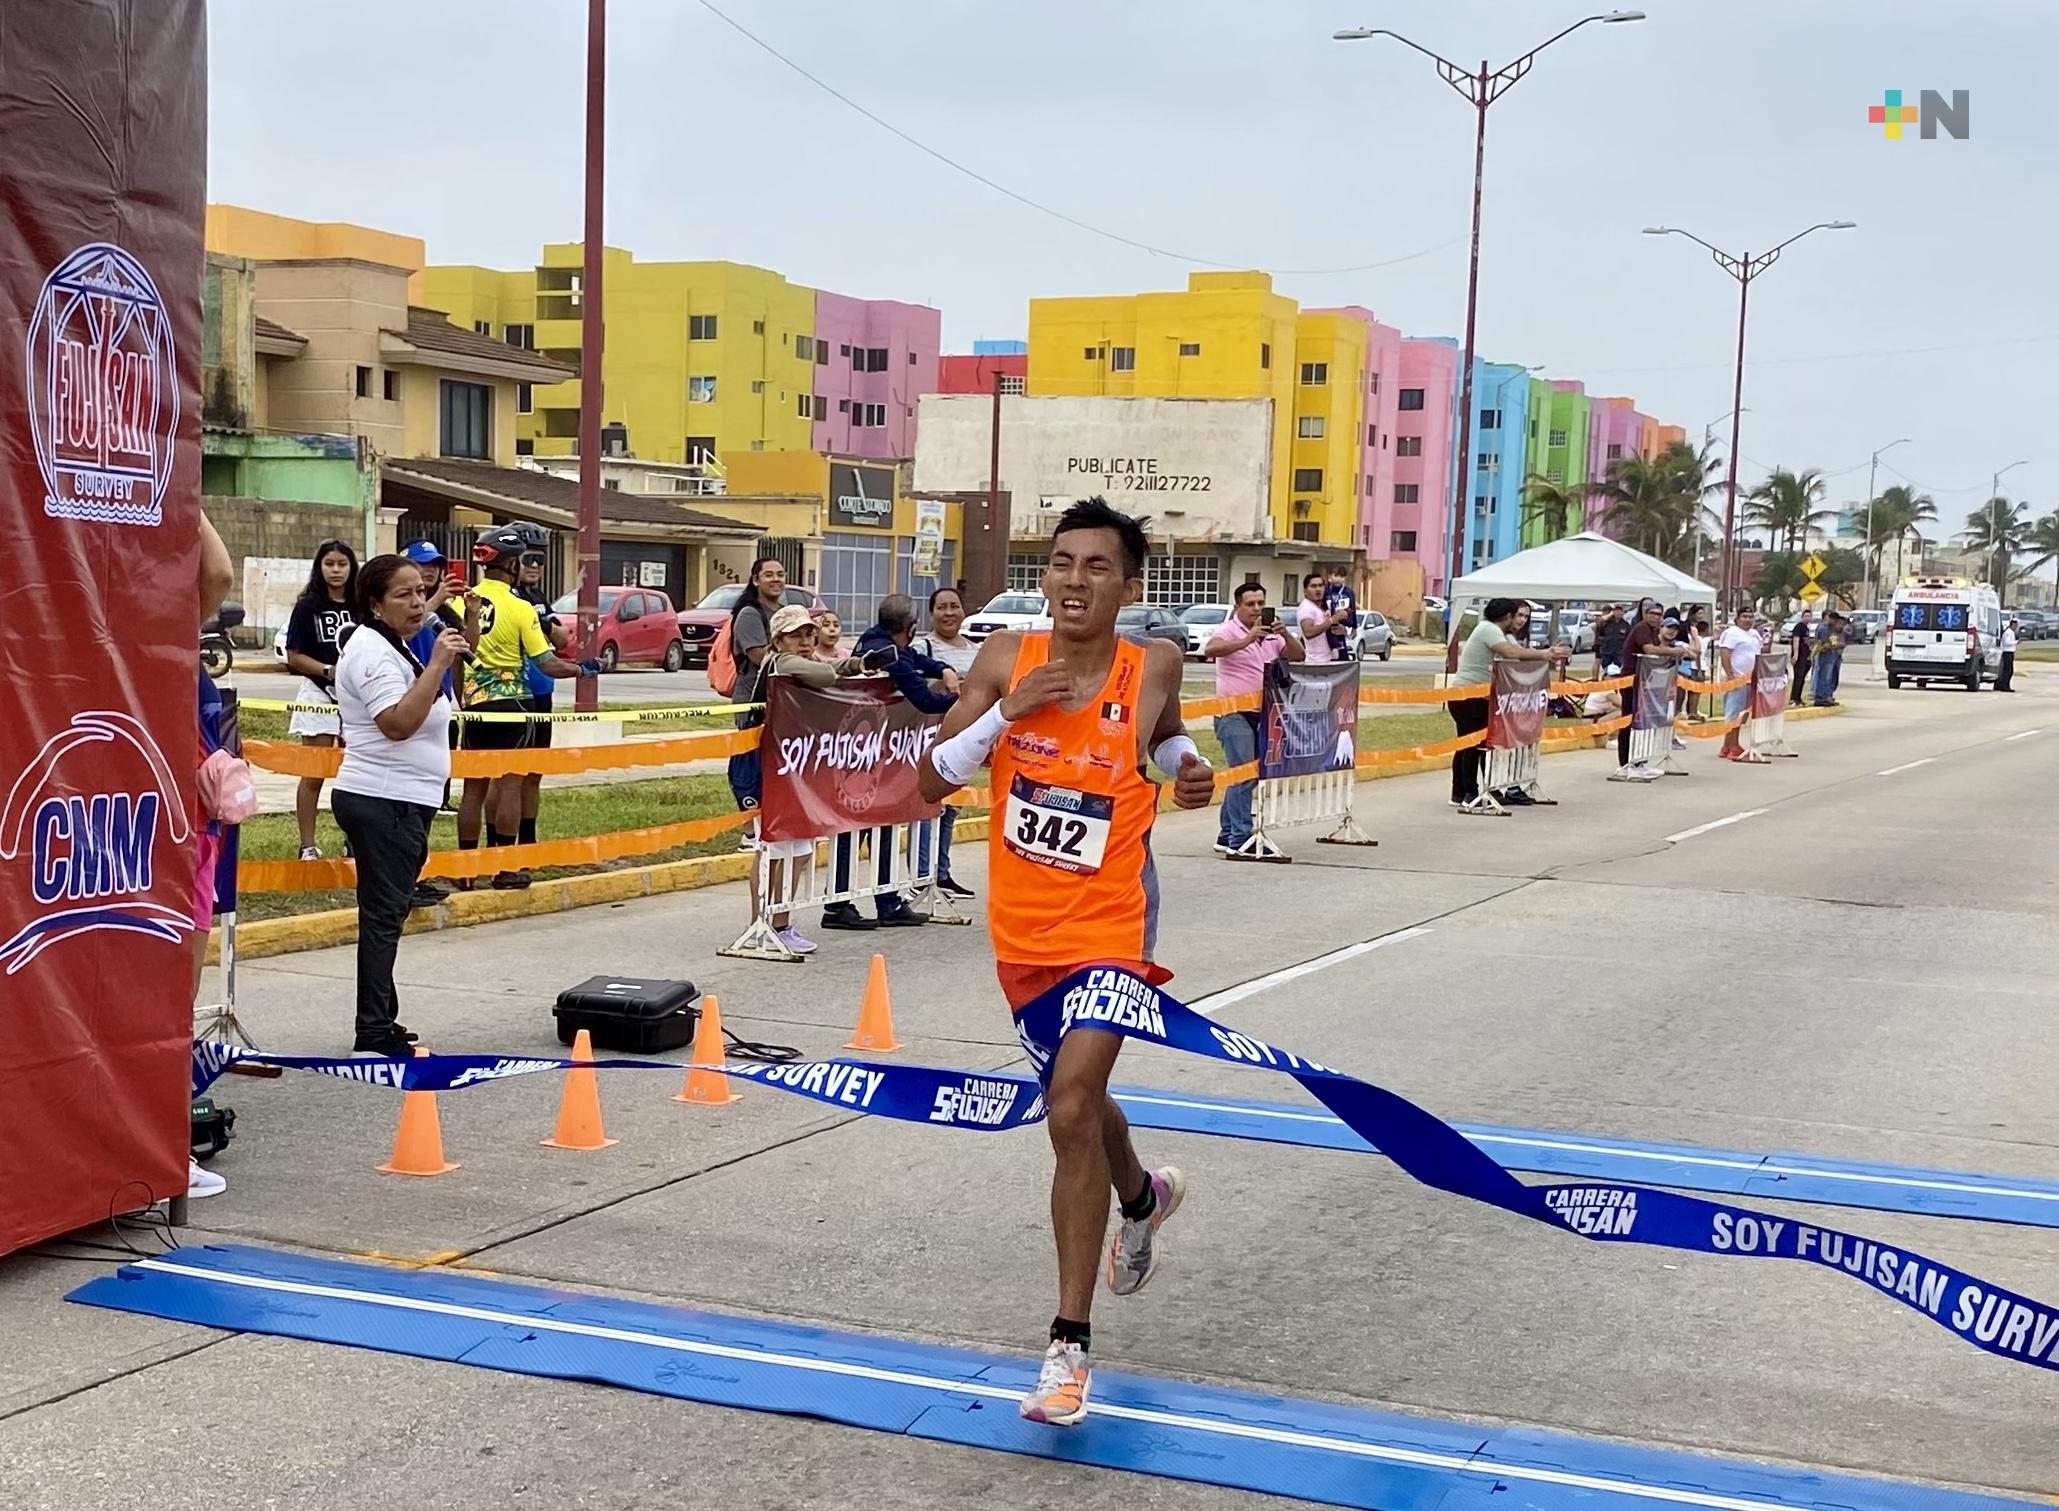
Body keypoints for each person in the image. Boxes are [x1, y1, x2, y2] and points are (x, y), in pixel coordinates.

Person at [918, 496, 1214, 1428]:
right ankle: (1142, 1195)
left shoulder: (1153, 661)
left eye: (1096, 567)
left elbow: (1160, 735)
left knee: (1071, 1106)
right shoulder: (1006, 660)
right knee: (1074, 1104)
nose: (1074, 581)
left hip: (1114, 922)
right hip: (1024, 933)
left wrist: (1187, 763)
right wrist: (1006, 715)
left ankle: (1065, 1348)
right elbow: (931, 779)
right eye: (1059, 563)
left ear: (1129, 586)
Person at [331, 554, 469, 1057]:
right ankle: (372, 1031)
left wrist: (437, 611)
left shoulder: (391, 642)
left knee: (387, 913)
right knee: (384, 917)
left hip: (404, 798)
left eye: (421, 591)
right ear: (373, 604)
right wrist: (437, 664)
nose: (417, 603)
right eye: (404, 595)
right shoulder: (371, 652)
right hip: (381, 797)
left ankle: (383, 1021)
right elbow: (396, 723)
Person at [731, 605, 883, 955]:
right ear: (778, 639)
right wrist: (839, 667)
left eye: (809, 634)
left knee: (798, 850)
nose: (805, 640)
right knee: (771, 849)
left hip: (793, 770)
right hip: (761, 767)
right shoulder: (779, 664)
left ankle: (781, 924)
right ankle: (760, 923)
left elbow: (831, 668)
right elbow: (825, 675)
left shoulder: (801, 662)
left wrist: (859, 664)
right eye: (797, 635)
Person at [455, 526, 598, 890]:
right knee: (511, 786)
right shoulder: (520, 607)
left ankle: (467, 871)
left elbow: (459, 655)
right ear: (513, 564)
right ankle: (505, 868)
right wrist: (582, 669)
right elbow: (547, 662)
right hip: (515, 705)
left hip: (475, 705)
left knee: (473, 789)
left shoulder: (463, 602)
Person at [822, 595, 958, 930]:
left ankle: (886, 901)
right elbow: (925, 700)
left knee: (883, 821)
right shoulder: (888, 653)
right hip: (863, 752)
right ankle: (837, 905)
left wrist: (943, 668)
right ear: (910, 629)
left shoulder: (878, 642)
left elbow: (915, 660)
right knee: (854, 828)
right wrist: (965, 698)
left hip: (875, 749)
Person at [188, 514, 237, 1201]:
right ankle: (165, 1148)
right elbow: (220, 572)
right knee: (172, 1004)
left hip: (179, 832)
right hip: (173, 839)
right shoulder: (158, 642)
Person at [1203, 582, 1304, 854]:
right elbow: (1210, 650)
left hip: (1261, 712)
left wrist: (1285, 634)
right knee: (1244, 775)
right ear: (1238, 606)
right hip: (1232, 713)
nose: (1256, 609)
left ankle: (1227, 833)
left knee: (1245, 775)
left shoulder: (1271, 635)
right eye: (1250, 604)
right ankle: (1240, 839)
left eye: (1261, 603)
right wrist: (1248, 638)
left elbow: (1298, 655)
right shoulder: (1228, 630)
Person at [400, 540, 469, 907]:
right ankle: (402, 881)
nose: (429, 571)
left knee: (428, 799)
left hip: (441, 707)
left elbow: (466, 646)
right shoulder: (403, 608)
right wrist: (432, 600)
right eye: (421, 564)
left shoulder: (440, 610)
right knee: (407, 803)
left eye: (435, 565)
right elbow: (400, 634)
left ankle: (416, 874)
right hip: (411, 705)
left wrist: (467, 611)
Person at [1450, 597, 1566, 811]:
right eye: (1517, 615)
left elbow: (1520, 657)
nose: (1519, 620)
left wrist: (1548, 656)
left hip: (1479, 696)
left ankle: (1475, 791)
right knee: (1472, 746)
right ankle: (1470, 793)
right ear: (1507, 616)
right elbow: (1511, 653)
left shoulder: (1501, 633)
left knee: (1477, 745)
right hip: (1468, 696)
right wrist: (1545, 653)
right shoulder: (1488, 629)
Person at [283, 539, 358, 861]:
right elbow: (294, 656)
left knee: (355, 771)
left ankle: (354, 840)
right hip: (319, 693)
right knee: (314, 770)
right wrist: (329, 671)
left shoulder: (362, 604)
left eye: (342, 564)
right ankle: (308, 844)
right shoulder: (307, 606)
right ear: (319, 567)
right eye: (330, 564)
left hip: (357, 695)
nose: (336, 570)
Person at [913, 586, 980, 897]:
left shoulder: (976, 650)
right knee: (929, 806)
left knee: (952, 807)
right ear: (931, 613)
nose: (949, 613)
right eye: (942, 607)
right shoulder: (922, 647)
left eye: (954, 606)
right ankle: (921, 875)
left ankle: (942, 873)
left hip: (966, 739)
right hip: (929, 736)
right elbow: (915, 688)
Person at [514, 536, 571, 859]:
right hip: (519, 690)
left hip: (543, 687)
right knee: (511, 774)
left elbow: (562, 637)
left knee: (535, 770)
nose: (534, 566)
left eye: (539, 560)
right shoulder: (510, 596)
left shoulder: (537, 597)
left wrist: (544, 623)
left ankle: (528, 837)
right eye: (527, 559)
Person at [1612, 600, 1692, 782]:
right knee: (1629, 720)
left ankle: (1639, 762)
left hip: (1646, 681)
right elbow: (1649, 649)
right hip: (1632, 679)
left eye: (1659, 614)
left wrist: (1678, 651)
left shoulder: (1653, 631)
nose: (1656, 617)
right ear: (1645, 614)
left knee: (1644, 721)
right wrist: (1675, 652)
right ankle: (1625, 764)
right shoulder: (1641, 629)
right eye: (1653, 614)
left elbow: (1660, 648)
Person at [1717, 605, 1762, 762]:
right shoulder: (1731, 633)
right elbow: (1725, 654)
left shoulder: (1755, 634)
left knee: (1742, 714)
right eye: (1744, 617)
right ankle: (1733, 746)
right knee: (1734, 713)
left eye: (1750, 617)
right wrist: (1730, 676)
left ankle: (1727, 746)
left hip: (1751, 680)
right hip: (1737, 679)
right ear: (1737, 618)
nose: (1748, 620)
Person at [1296, 573, 1348, 664]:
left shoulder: (1321, 607)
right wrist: (1332, 620)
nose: (1318, 589)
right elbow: (1308, 632)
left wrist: (1340, 629)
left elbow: (1326, 629)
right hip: (1316, 662)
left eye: (1320, 585)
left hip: (1328, 660)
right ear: (1305, 591)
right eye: (1313, 586)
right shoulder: (1306, 607)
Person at [1810, 610, 1847, 706]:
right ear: (1831, 619)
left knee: (1829, 677)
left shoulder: (1831, 629)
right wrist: (1836, 645)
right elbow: (1825, 644)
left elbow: (1834, 641)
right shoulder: (1824, 629)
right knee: (1824, 676)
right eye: (1835, 621)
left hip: (1832, 655)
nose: (1836, 623)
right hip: (1825, 655)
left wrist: (1836, 645)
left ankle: (1826, 696)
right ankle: (1820, 697)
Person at [1323, 567, 1359, 660]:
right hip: (1329, 621)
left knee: (1342, 647)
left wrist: (1354, 627)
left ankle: (1342, 657)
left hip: (1343, 623)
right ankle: (1334, 650)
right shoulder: (1326, 590)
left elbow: (1353, 610)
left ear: (1345, 578)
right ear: (1330, 576)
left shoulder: (1348, 592)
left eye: (1341, 576)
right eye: (1336, 576)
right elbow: (1322, 605)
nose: (1338, 579)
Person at [1593, 604, 1629, 681]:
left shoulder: (1626, 625)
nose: (1618, 613)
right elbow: (1598, 622)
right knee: (1607, 670)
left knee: (1617, 671)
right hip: (1607, 650)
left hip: (1619, 651)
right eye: (1616, 611)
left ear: (1623, 612)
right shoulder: (1606, 623)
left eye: (1620, 611)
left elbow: (1628, 639)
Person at [1789, 609, 1815, 707]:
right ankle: (1793, 698)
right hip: (1799, 656)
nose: (1807, 618)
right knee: (1798, 678)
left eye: (1809, 616)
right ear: (1802, 617)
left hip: (1806, 656)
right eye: (1806, 616)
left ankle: (1798, 698)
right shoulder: (1799, 627)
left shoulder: (1806, 628)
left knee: (1802, 678)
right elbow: (1796, 640)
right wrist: (1795, 654)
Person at [1998, 618, 2019, 692]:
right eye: (2016, 625)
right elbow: (2006, 642)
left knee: (2009, 670)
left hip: (2010, 652)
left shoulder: (2012, 632)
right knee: (2008, 670)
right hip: (2007, 652)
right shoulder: (2008, 632)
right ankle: (2004, 685)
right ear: (2012, 624)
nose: (2016, 627)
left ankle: (2005, 685)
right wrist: (2015, 642)